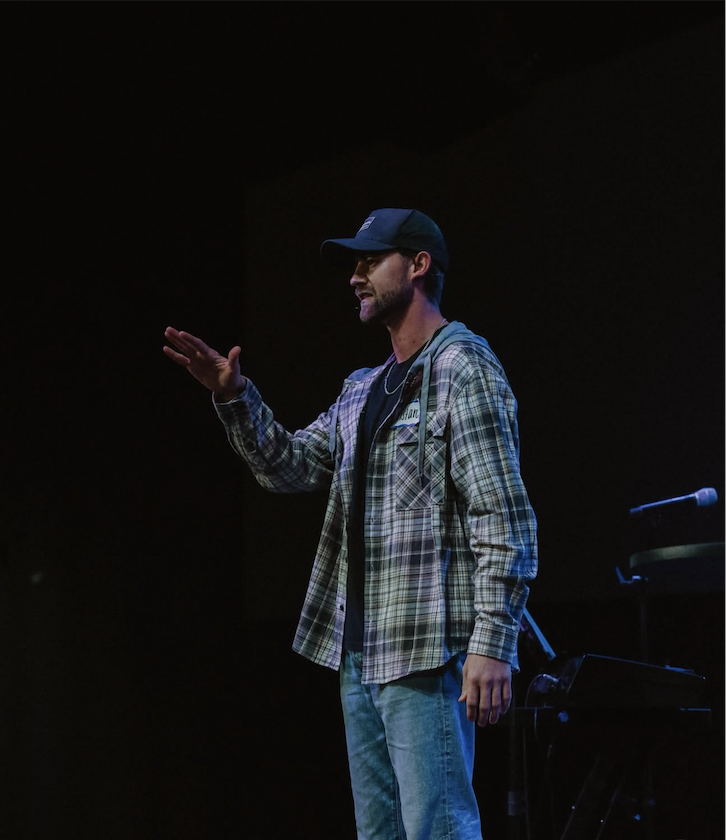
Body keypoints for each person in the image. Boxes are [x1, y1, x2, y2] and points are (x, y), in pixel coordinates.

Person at [163, 207, 538, 840]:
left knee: (438, 828)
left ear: (418, 265)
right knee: (380, 834)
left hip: (424, 652)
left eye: (370, 261)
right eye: (355, 265)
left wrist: (492, 642)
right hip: (360, 655)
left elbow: (502, 515)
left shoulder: (462, 368)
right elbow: (287, 467)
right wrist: (232, 396)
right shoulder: (363, 388)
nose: (355, 276)